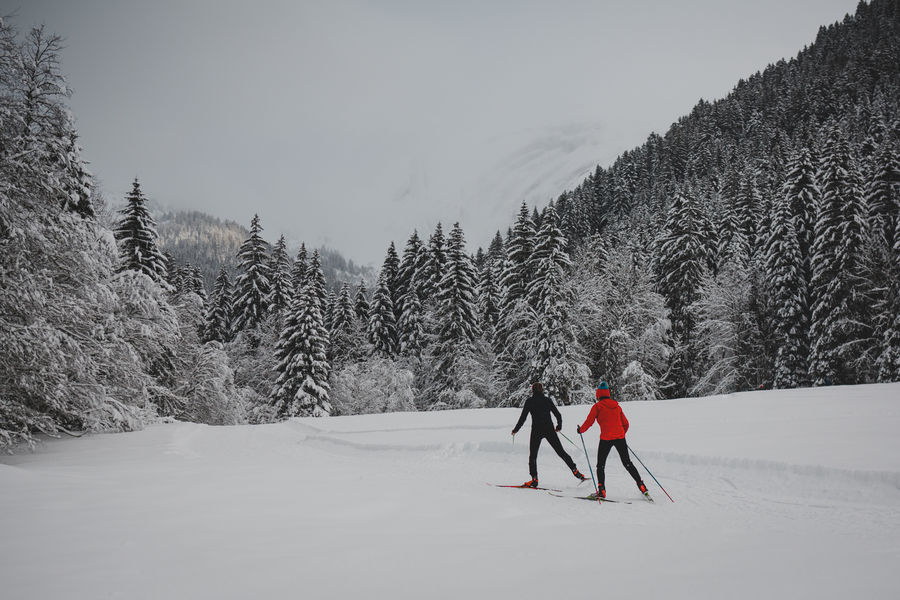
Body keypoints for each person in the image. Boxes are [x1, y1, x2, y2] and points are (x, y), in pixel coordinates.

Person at [576, 382, 649, 499]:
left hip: (606, 439)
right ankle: (641, 485)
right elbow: (626, 424)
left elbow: (589, 422)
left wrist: (581, 430)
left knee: (601, 465)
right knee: (627, 463)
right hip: (620, 438)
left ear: (598, 394)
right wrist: (620, 434)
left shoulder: (597, 407)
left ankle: (601, 491)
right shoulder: (617, 406)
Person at [511, 382, 587, 487]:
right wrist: (559, 426)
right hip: (549, 429)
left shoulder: (530, 401)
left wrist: (515, 430)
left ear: (532, 390)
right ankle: (576, 471)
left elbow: (523, 418)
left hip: (536, 431)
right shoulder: (547, 400)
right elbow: (558, 415)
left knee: (533, 456)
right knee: (561, 452)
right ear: (542, 390)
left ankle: (534, 479)